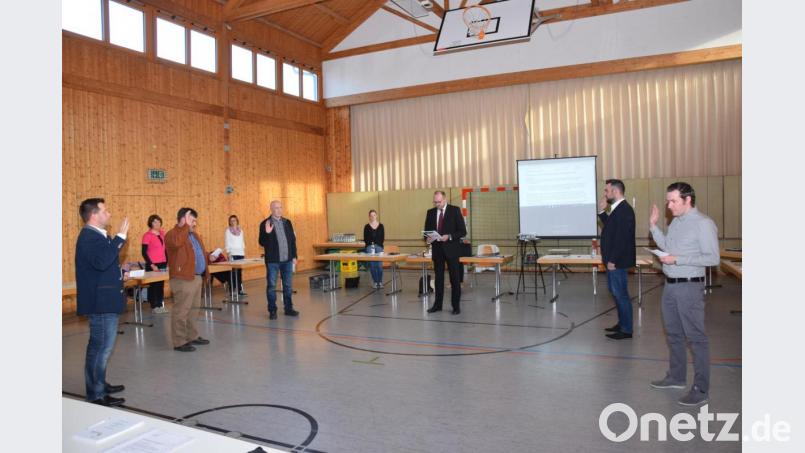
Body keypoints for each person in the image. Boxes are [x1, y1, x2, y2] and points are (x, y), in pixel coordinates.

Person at [648, 182, 720, 406]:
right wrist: (653, 226)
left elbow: (712, 258)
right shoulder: (677, 222)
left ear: (688, 200)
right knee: (674, 335)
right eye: (668, 201)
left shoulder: (703, 224)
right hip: (670, 286)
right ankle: (676, 377)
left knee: (696, 339)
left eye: (673, 201)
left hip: (689, 287)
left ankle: (701, 389)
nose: (669, 206)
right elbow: (668, 246)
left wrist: (678, 259)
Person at [75, 198, 129, 406]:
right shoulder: (89, 236)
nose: (109, 214)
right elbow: (100, 261)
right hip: (100, 302)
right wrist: (120, 238)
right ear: (94, 215)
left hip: (105, 299)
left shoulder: (98, 236)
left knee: (102, 347)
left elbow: (102, 266)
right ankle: (96, 394)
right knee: (101, 348)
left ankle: (100, 383)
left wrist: (119, 273)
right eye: (105, 210)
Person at [164, 208, 211, 352]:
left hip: (196, 278)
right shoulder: (172, 234)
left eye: (195, 221)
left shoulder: (194, 235)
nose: (194, 223)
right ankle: (179, 342)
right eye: (192, 220)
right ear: (183, 219)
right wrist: (185, 225)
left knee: (193, 310)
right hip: (183, 279)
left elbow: (196, 254)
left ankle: (192, 336)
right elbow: (177, 243)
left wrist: (208, 257)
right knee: (181, 311)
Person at [597, 179, 636, 340]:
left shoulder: (624, 210)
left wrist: (613, 260)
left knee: (621, 295)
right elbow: (611, 228)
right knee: (617, 293)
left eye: (607, 191)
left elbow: (622, 238)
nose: (605, 194)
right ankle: (622, 324)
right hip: (614, 260)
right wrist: (601, 212)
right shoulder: (617, 209)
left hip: (617, 261)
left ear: (615, 191)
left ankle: (626, 329)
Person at [423, 190, 467, 315]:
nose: (437, 204)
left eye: (439, 202)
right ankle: (437, 305)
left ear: (445, 199)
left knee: (455, 279)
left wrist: (450, 236)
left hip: (452, 250)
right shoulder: (430, 213)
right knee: (439, 279)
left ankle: (456, 306)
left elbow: (462, 231)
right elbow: (426, 232)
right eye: (435, 202)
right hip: (437, 251)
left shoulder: (455, 210)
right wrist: (428, 238)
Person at [259, 200, 299, 320]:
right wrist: (267, 233)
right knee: (271, 286)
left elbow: (292, 241)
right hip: (273, 261)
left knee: (287, 286)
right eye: (276, 208)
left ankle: (288, 309)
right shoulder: (265, 223)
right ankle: (272, 310)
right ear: (271, 209)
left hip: (287, 260)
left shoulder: (287, 222)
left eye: (281, 207)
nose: (279, 210)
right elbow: (261, 242)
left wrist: (294, 256)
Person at [141, 214, 169, 314]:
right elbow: (144, 252)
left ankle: (160, 305)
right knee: (154, 286)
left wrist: (167, 262)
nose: (157, 223)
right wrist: (152, 265)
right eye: (154, 222)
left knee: (160, 285)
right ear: (151, 223)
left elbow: (165, 249)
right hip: (153, 264)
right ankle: (154, 306)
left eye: (158, 221)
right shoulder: (147, 235)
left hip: (162, 263)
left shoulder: (162, 233)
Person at [224, 214, 247, 295]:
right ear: (229, 222)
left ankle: (239, 290)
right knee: (233, 272)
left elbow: (242, 242)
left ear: (237, 221)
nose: (233, 222)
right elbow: (227, 242)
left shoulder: (241, 230)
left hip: (240, 253)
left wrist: (243, 252)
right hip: (233, 253)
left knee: (239, 272)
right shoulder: (228, 231)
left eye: (234, 220)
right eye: (231, 220)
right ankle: (232, 290)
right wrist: (228, 252)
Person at [363, 209, 385, 288]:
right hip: (369, 246)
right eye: (371, 216)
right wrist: (372, 245)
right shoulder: (366, 227)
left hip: (379, 246)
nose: (372, 217)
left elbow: (382, 238)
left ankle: (380, 282)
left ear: (376, 216)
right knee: (372, 265)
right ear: (369, 217)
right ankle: (375, 282)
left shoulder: (381, 226)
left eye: (374, 215)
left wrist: (376, 244)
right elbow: (365, 239)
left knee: (379, 265)